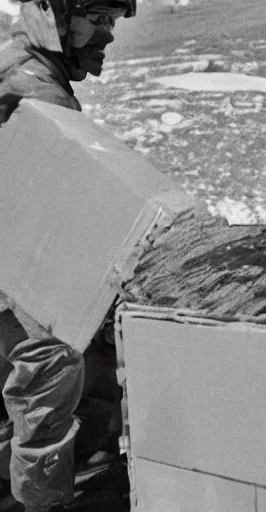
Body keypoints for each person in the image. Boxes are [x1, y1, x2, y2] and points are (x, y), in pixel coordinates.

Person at [0, 1, 136, 510]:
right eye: (98, 19)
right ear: (56, 17)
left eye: (112, 23)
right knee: (55, 364)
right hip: (18, 269)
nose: (108, 35)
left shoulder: (27, 67)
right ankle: (47, 502)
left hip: (17, 254)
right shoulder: (30, 85)